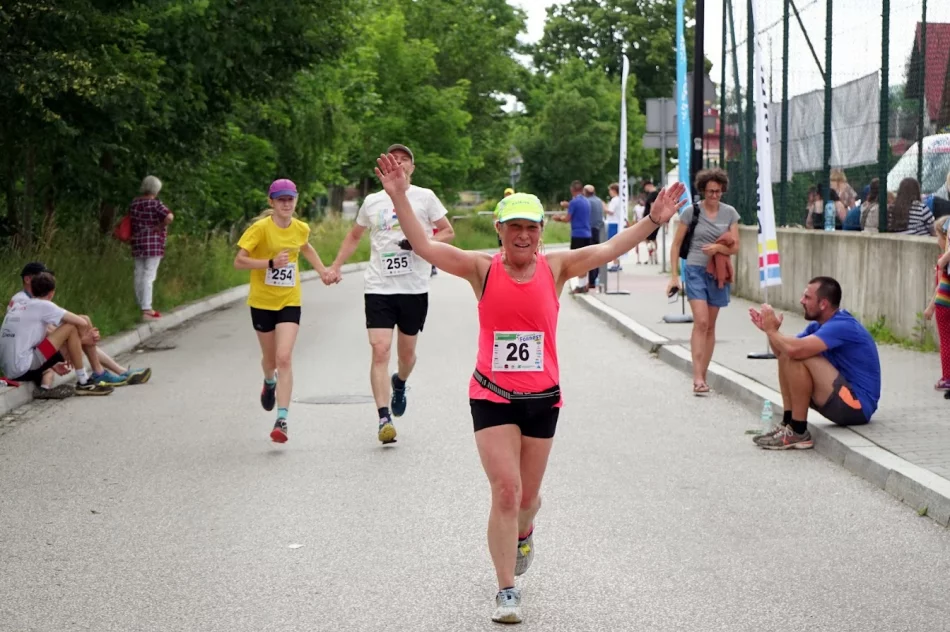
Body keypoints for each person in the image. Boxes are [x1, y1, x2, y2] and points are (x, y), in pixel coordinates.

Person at [373, 150, 688, 623]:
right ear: (499, 230)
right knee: (505, 491)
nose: (523, 235)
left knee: (526, 500)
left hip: (542, 400)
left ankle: (524, 531)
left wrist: (653, 221)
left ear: (541, 231)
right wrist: (399, 196)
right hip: (491, 396)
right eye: (514, 227)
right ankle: (506, 590)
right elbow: (425, 245)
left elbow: (608, 249)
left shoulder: (555, 267)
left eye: (531, 228)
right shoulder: (481, 269)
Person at [326, 144, 455, 444]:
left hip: (413, 287)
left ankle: (400, 381)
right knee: (380, 349)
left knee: (406, 356)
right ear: (385, 167)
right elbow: (354, 235)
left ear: (412, 167)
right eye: (393, 159)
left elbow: (447, 231)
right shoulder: (372, 201)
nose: (398, 163)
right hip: (379, 286)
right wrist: (336, 265)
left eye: (404, 159)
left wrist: (422, 244)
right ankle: (384, 418)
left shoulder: (425, 197)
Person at [234, 178, 333, 443]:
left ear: (296, 200)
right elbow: (239, 261)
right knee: (270, 361)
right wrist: (269, 263)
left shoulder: (300, 228)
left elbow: (306, 247)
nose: (286, 204)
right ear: (272, 202)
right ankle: (269, 382)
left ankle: (282, 420)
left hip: (289, 300)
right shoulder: (260, 229)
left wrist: (323, 271)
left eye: (290, 199)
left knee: (284, 357)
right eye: (281, 200)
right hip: (262, 302)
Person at [749, 277, 882, 450]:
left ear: (823, 304)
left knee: (799, 354)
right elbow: (782, 354)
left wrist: (773, 331)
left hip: (857, 406)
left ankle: (798, 431)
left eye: (807, 297)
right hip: (840, 399)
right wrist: (771, 332)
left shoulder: (842, 325)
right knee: (791, 354)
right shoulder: (817, 326)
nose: (801, 301)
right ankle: (788, 425)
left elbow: (795, 350)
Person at [11, 263, 150, 397]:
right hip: (33, 353)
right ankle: (93, 377)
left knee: (83, 320)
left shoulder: (36, 300)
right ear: (27, 279)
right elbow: (43, 333)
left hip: (37, 349)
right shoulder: (21, 301)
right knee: (75, 328)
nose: (44, 279)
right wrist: (79, 340)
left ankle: (103, 372)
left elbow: (55, 327)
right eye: (40, 276)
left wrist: (78, 339)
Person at [668, 169, 740, 395]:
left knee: (710, 326)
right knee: (701, 321)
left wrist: (718, 248)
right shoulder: (691, 212)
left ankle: (704, 374)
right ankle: (697, 377)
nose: (714, 195)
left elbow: (735, 247)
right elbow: (676, 245)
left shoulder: (730, 213)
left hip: (718, 273)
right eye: (710, 191)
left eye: (718, 191)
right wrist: (674, 276)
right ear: (702, 191)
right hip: (695, 269)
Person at [0, 272, 114, 396]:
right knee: (71, 327)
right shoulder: (44, 305)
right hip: (23, 369)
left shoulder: (19, 305)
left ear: (32, 290)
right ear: (52, 293)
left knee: (73, 327)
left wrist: (73, 344)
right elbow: (81, 323)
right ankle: (84, 381)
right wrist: (78, 342)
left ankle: (86, 378)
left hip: (10, 369)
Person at [129, 176, 175, 321]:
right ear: (156, 189)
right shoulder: (156, 204)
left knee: (138, 273)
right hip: (153, 243)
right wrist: (160, 226)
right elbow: (169, 217)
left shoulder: (135, 203)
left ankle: (140, 304)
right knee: (149, 275)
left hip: (137, 241)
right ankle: (147, 308)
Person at [924, 212, 950, 390]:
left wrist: (930, 307)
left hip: (944, 302)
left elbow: (940, 286)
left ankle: (947, 376)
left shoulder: (943, 261)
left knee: (946, 341)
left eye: (939, 237)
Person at [551, 180, 591, 293]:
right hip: (587, 233)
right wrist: (568, 205)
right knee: (585, 260)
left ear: (572, 190)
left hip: (577, 234)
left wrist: (558, 218)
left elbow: (567, 218)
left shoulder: (574, 202)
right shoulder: (586, 201)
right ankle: (585, 283)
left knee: (577, 261)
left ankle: (580, 286)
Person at [583, 184, 606, 289]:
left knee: (590, 255)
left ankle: (591, 281)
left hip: (590, 230)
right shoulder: (599, 201)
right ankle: (596, 277)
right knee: (597, 254)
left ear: (585, 192)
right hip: (599, 230)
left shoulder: (587, 202)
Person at [605, 182, 626, 271]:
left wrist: (603, 207)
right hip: (618, 223)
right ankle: (617, 263)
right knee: (617, 244)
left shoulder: (614, 200)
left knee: (613, 244)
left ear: (614, 190)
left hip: (613, 223)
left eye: (610, 190)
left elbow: (611, 211)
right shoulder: (620, 200)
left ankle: (615, 263)